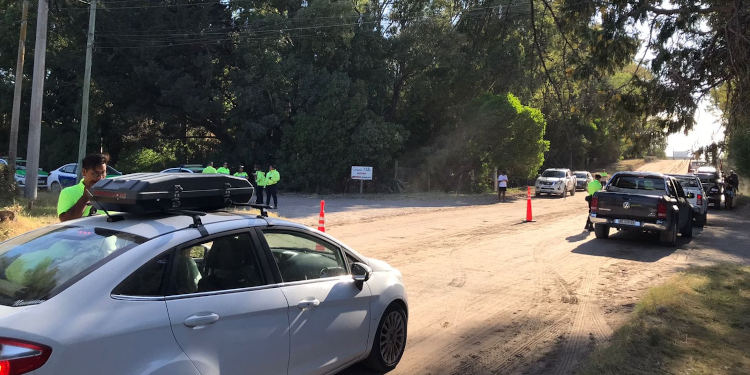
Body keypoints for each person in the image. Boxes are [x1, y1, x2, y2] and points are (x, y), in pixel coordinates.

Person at [58, 153, 108, 222]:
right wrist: (85, 198)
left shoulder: (111, 193)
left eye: (103, 173)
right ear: (84, 172)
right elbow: (65, 221)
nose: (100, 177)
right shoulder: (67, 193)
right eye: (95, 173)